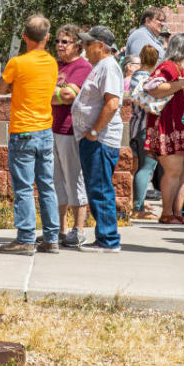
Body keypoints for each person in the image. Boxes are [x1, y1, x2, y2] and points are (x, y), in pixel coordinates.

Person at [0, 15, 59, 255]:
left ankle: (25, 238)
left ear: (24, 36)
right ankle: (51, 238)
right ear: (47, 37)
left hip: (23, 131)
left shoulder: (17, 63)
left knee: (23, 188)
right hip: (45, 130)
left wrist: (14, 86)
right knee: (47, 186)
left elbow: (0, 88)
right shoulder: (52, 63)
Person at [71, 26, 125, 252]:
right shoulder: (101, 66)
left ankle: (108, 239)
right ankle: (104, 236)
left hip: (100, 140)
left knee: (100, 189)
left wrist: (93, 132)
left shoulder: (109, 67)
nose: (84, 47)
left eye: (88, 43)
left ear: (101, 46)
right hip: (94, 140)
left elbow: (112, 103)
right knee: (96, 188)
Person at [50, 24, 93, 247]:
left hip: (69, 129)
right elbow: (57, 93)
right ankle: (59, 229)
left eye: (65, 42)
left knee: (73, 178)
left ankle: (78, 228)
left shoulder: (82, 67)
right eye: (57, 41)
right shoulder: (54, 65)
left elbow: (68, 96)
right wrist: (55, 95)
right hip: (51, 128)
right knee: (55, 180)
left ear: (77, 45)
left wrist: (50, 94)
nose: (59, 45)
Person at [143, 33, 184, 224]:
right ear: (182, 47)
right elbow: (153, 88)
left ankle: (178, 213)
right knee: (173, 171)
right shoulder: (167, 67)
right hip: (168, 124)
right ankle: (167, 213)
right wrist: (181, 83)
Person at [129, 45, 160, 219]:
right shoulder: (150, 79)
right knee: (147, 167)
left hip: (135, 125)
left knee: (138, 167)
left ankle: (137, 203)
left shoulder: (135, 76)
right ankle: (138, 208)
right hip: (146, 126)